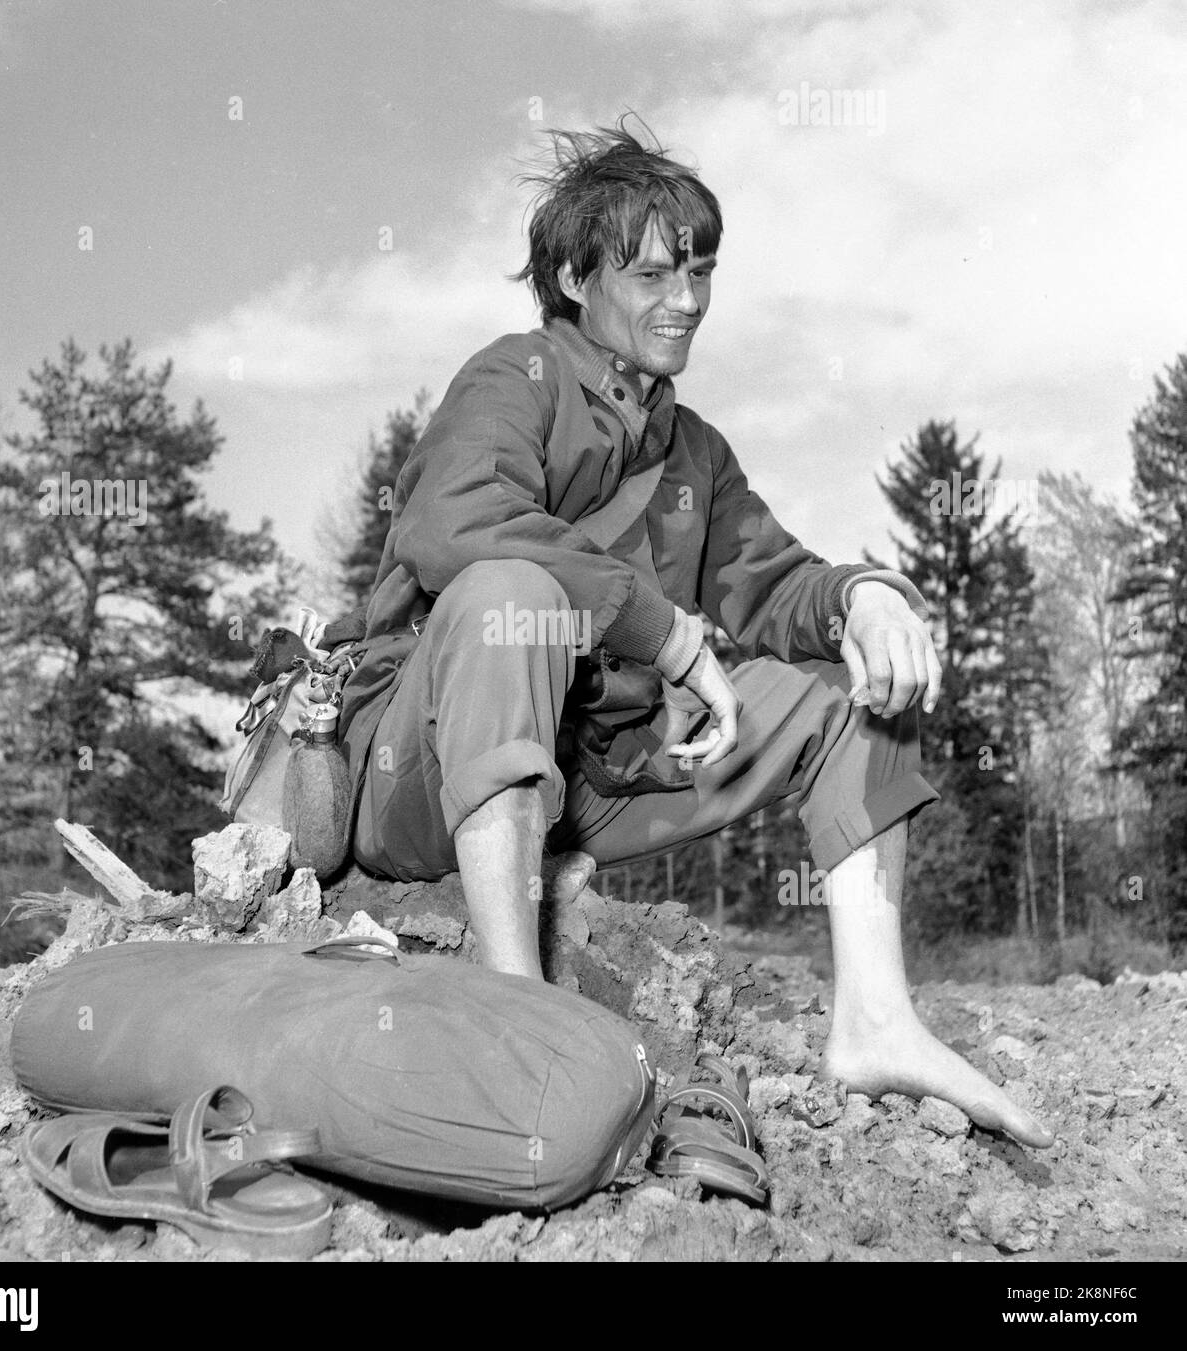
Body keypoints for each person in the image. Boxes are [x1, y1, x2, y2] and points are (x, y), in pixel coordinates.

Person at [337, 122, 1052, 1149]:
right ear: (577, 278)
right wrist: (666, 635)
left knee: (848, 697)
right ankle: (512, 1005)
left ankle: (876, 1019)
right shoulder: (512, 380)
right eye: (654, 273)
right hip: (421, 771)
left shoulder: (693, 450)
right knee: (509, 590)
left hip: (595, 778)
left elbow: (775, 579)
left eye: (701, 270)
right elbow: (453, 521)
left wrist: (862, 596)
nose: (689, 299)